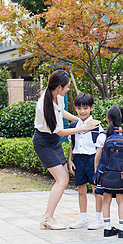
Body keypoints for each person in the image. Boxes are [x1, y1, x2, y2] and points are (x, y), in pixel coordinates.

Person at [33, 70, 100, 230]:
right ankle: (48, 218)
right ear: (58, 87)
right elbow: (61, 132)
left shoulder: (58, 97)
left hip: (53, 141)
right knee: (62, 180)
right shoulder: (45, 104)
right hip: (44, 142)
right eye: (67, 87)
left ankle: (48, 216)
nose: (69, 89)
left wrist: (81, 120)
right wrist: (83, 127)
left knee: (63, 179)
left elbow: (61, 113)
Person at [94, 105, 123, 238]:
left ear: (107, 120)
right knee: (121, 200)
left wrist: (96, 173)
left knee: (106, 199)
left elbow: (97, 157)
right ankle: (122, 229)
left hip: (106, 175)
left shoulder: (103, 136)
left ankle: (107, 228)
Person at [67, 93, 104, 230]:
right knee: (81, 190)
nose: (82, 111)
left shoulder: (97, 126)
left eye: (85, 108)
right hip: (78, 160)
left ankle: (98, 219)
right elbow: (72, 144)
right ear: (75, 108)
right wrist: (70, 160)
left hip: (92, 159)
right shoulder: (74, 126)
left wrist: (97, 165)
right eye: (79, 108)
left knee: (96, 190)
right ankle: (83, 219)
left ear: (92, 108)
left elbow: (100, 147)